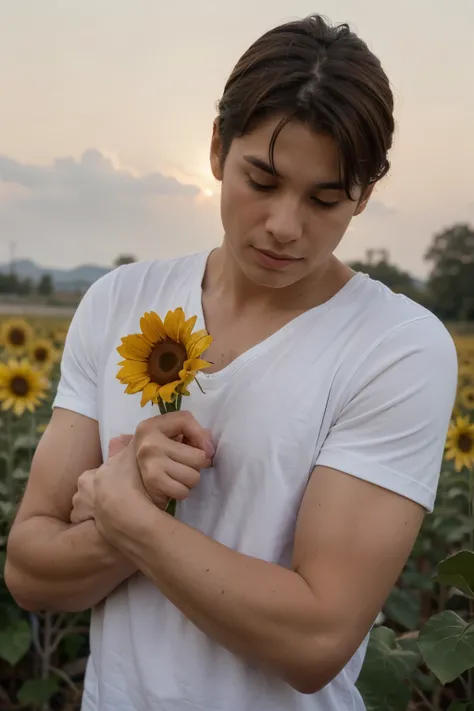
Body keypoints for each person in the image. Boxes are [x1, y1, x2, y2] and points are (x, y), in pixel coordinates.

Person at [5, 13, 457, 711]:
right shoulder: (120, 300)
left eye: (324, 198)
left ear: (365, 192)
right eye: (262, 180)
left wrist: (129, 518)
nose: (284, 224)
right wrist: (138, 505)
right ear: (217, 148)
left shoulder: (396, 347)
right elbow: (30, 567)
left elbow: (315, 639)